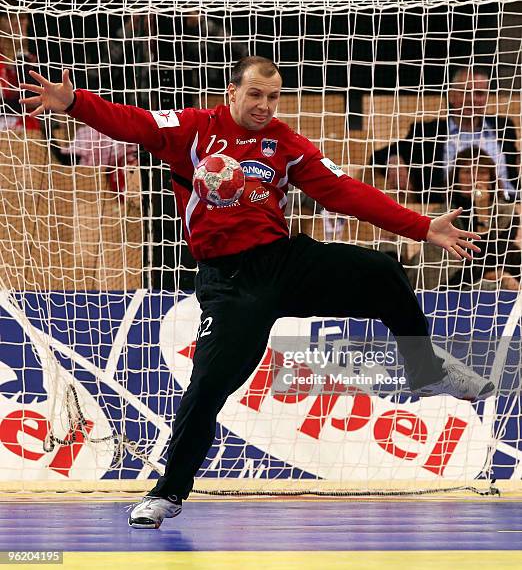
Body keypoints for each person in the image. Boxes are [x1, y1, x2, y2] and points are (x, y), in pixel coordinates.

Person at [20, 56, 494, 529]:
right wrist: (75, 103)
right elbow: (135, 123)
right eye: (255, 94)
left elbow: (344, 191)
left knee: (382, 272)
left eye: (273, 96)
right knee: (208, 387)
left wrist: (421, 226)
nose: (265, 105)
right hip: (230, 283)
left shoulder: (285, 144)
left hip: (283, 261)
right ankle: (166, 495)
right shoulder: (194, 129)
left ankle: (425, 372)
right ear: (232, 91)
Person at [371, 66, 520, 203]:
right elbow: (379, 155)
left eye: (479, 94)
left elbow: (515, 161)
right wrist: (395, 160)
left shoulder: (503, 127)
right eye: (465, 92)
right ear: (452, 96)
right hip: (446, 210)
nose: (472, 99)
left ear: (486, 98)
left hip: (505, 207)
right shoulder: (427, 132)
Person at [407, 146, 521, 291]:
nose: (474, 177)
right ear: (456, 177)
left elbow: (493, 259)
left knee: (515, 256)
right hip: (448, 285)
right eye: (467, 171)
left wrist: (482, 210)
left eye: (482, 172)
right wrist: (499, 276)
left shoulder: (506, 213)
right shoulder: (441, 216)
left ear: (491, 178)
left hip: (484, 275)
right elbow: (447, 274)